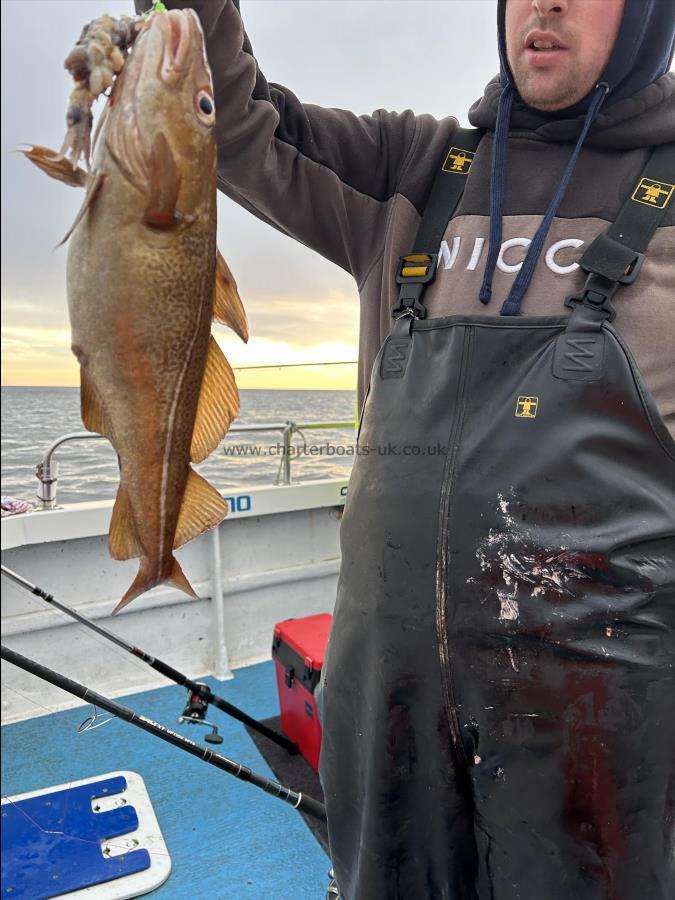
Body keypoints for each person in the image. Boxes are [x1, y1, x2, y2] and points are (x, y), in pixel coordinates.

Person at [137, 2, 675, 898]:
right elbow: (229, 123)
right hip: (383, 702)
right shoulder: (416, 170)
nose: (542, 5)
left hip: (601, 721)